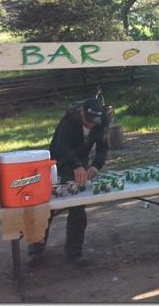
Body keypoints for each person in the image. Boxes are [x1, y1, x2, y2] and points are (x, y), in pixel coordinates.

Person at [27, 97, 114, 267]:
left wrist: (96, 166)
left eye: (94, 122)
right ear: (81, 112)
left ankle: (74, 252)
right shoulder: (68, 121)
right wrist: (76, 165)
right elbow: (59, 147)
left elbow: (103, 147)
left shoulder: (101, 121)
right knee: (48, 207)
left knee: (78, 207)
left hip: (81, 163)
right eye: (88, 121)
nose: (91, 125)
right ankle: (36, 248)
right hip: (59, 164)